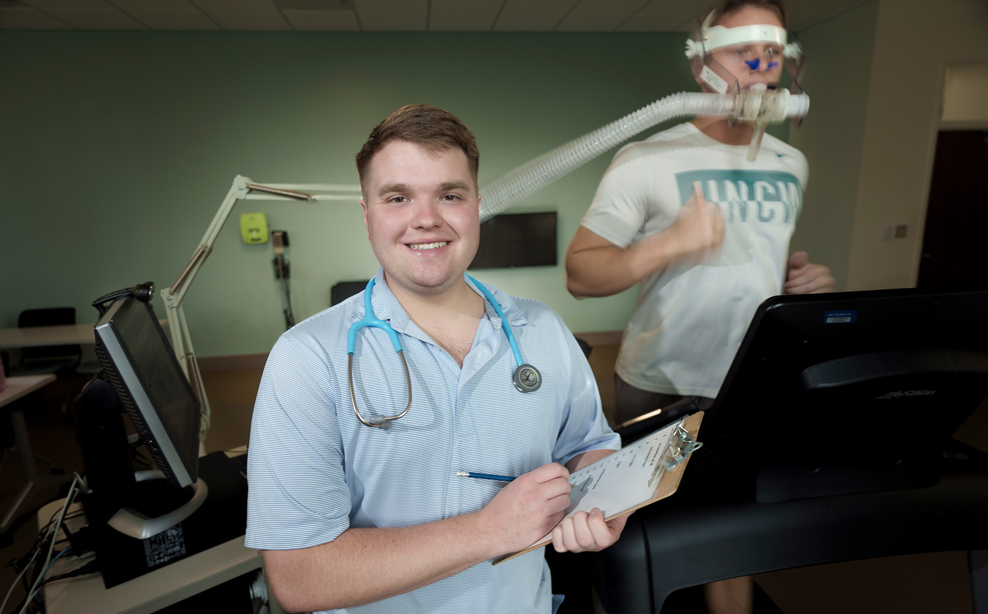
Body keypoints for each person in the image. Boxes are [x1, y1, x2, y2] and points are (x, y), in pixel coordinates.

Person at [245, 104, 626, 614]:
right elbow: (298, 577)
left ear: (476, 206)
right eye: (398, 197)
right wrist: (490, 531)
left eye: (449, 194)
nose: (426, 218)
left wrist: (605, 495)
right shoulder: (307, 357)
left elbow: (590, 444)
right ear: (367, 213)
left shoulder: (542, 330)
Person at [565, 0, 835, 430]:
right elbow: (579, 276)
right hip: (662, 379)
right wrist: (670, 242)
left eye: (772, 53)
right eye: (740, 50)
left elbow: (749, 259)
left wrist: (791, 283)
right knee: (658, 500)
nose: (758, 66)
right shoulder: (646, 159)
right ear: (700, 67)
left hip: (755, 371)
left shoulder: (791, 163)